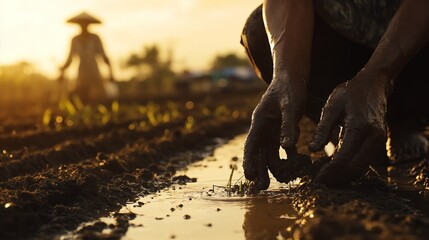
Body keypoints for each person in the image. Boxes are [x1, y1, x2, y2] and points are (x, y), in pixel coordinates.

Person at [241, 0, 429, 190]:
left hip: (415, 48)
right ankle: (340, 125)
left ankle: (407, 122)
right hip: (345, 35)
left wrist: (377, 78)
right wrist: (286, 76)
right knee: (257, 30)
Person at [59, 12, 114, 103]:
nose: (83, 25)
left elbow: (104, 57)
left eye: (85, 23)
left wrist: (111, 73)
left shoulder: (95, 38)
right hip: (81, 74)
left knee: (99, 99)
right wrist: (62, 71)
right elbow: (70, 59)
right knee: (80, 99)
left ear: (89, 24)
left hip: (94, 72)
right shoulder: (75, 39)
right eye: (81, 23)